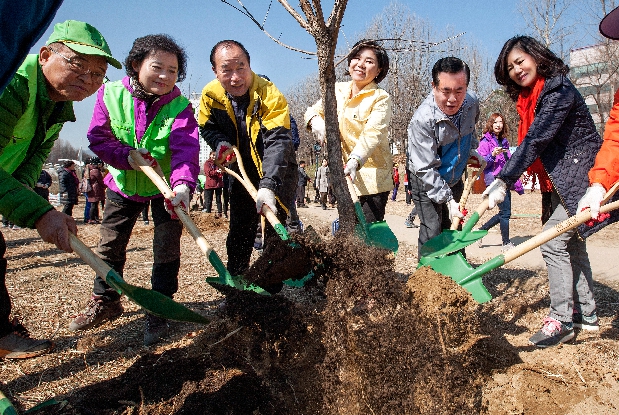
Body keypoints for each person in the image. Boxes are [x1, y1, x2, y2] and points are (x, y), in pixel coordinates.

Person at [69, 34, 200, 347]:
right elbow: (99, 138)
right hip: (124, 183)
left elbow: (186, 149)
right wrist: (125, 155)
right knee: (110, 242)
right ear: (135, 65)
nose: (165, 76)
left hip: (166, 187)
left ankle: (160, 307)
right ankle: (106, 300)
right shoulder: (110, 94)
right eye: (157, 67)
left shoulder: (180, 106)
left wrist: (182, 186)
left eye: (172, 70)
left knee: (167, 247)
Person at [0, 20, 119, 359]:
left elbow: (32, 156)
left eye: (98, 74)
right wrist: (39, 211)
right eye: (78, 65)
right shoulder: (11, 84)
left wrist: (24, 198)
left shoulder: (55, 106)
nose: (88, 79)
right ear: (45, 55)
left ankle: (1, 334)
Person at [487, 35, 613, 348]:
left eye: (520, 61)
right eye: (510, 67)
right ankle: (588, 316)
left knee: (554, 243)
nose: (517, 70)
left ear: (537, 56)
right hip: (558, 179)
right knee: (573, 244)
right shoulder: (529, 99)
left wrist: (505, 179)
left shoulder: (557, 90)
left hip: (581, 177)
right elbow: (531, 142)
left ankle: (562, 320)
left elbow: (537, 140)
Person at [198, 39, 297, 283]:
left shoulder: (268, 93)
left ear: (250, 66)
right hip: (241, 172)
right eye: (226, 70)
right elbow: (206, 127)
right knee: (241, 229)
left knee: (275, 228)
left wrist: (269, 184)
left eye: (241, 68)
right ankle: (238, 281)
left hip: (278, 170)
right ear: (215, 71)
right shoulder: (210, 95)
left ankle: (270, 286)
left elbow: (279, 141)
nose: (235, 77)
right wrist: (220, 143)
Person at [305, 39, 392, 222]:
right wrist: (316, 120)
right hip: (344, 180)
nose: (360, 64)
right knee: (348, 232)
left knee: (367, 239)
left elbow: (372, 133)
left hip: (372, 181)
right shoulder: (337, 90)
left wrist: (355, 160)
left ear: (379, 70)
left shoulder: (380, 98)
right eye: (357, 58)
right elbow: (312, 110)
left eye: (369, 61)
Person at [407, 57, 481, 258]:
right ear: (434, 86)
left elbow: (470, 130)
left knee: (454, 225)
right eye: (445, 91)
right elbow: (425, 168)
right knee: (433, 227)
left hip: (454, 172)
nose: (453, 99)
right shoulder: (422, 120)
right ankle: (428, 275)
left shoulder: (471, 103)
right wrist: (448, 199)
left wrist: (472, 151)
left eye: (459, 91)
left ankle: (455, 273)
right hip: (425, 175)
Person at [477, 113, 524, 250]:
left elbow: (508, 162)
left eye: (501, 122)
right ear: (490, 124)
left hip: (506, 179)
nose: (498, 124)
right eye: (495, 122)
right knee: (505, 213)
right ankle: (506, 243)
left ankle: (480, 231)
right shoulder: (484, 142)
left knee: (505, 212)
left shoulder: (504, 141)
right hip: (494, 181)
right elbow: (481, 163)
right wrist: (492, 155)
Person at [203, 151, 224, 218]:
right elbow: (208, 173)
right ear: (210, 155)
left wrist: (221, 171)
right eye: (213, 155)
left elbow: (223, 171)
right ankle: (208, 214)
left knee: (219, 200)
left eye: (215, 155)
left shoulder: (219, 163)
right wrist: (216, 171)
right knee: (208, 200)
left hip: (218, 184)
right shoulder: (207, 163)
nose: (214, 157)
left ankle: (220, 213)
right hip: (210, 184)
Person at [86, 157, 105, 224]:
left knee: (94, 204)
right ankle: (92, 218)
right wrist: (105, 186)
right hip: (96, 190)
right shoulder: (96, 171)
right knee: (94, 205)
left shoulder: (90, 170)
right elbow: (101, 181)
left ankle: (95, 218)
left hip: (92, 189)